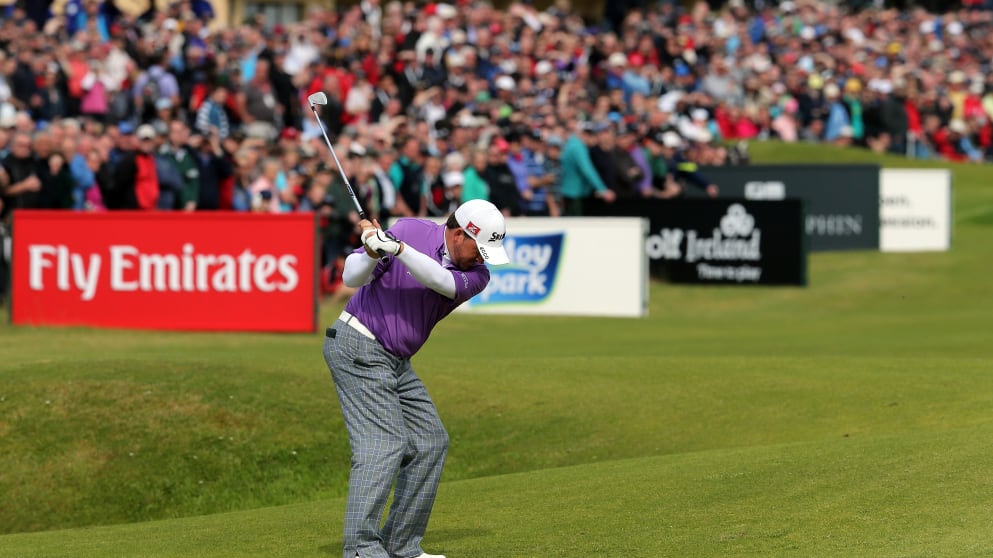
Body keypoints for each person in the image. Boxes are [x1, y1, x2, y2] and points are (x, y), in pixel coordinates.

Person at [323, 198, 510, 558]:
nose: (483, 258)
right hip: (357, 345)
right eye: (479, 248)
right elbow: (351, 277)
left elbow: (440, 280)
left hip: (395, 360)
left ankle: (401, 546)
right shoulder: (410, 229)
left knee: (430, 441)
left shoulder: (477, 276)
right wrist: (371, 252)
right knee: (384, 444)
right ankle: (361, 549)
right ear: (458, 233)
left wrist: (396, 248)